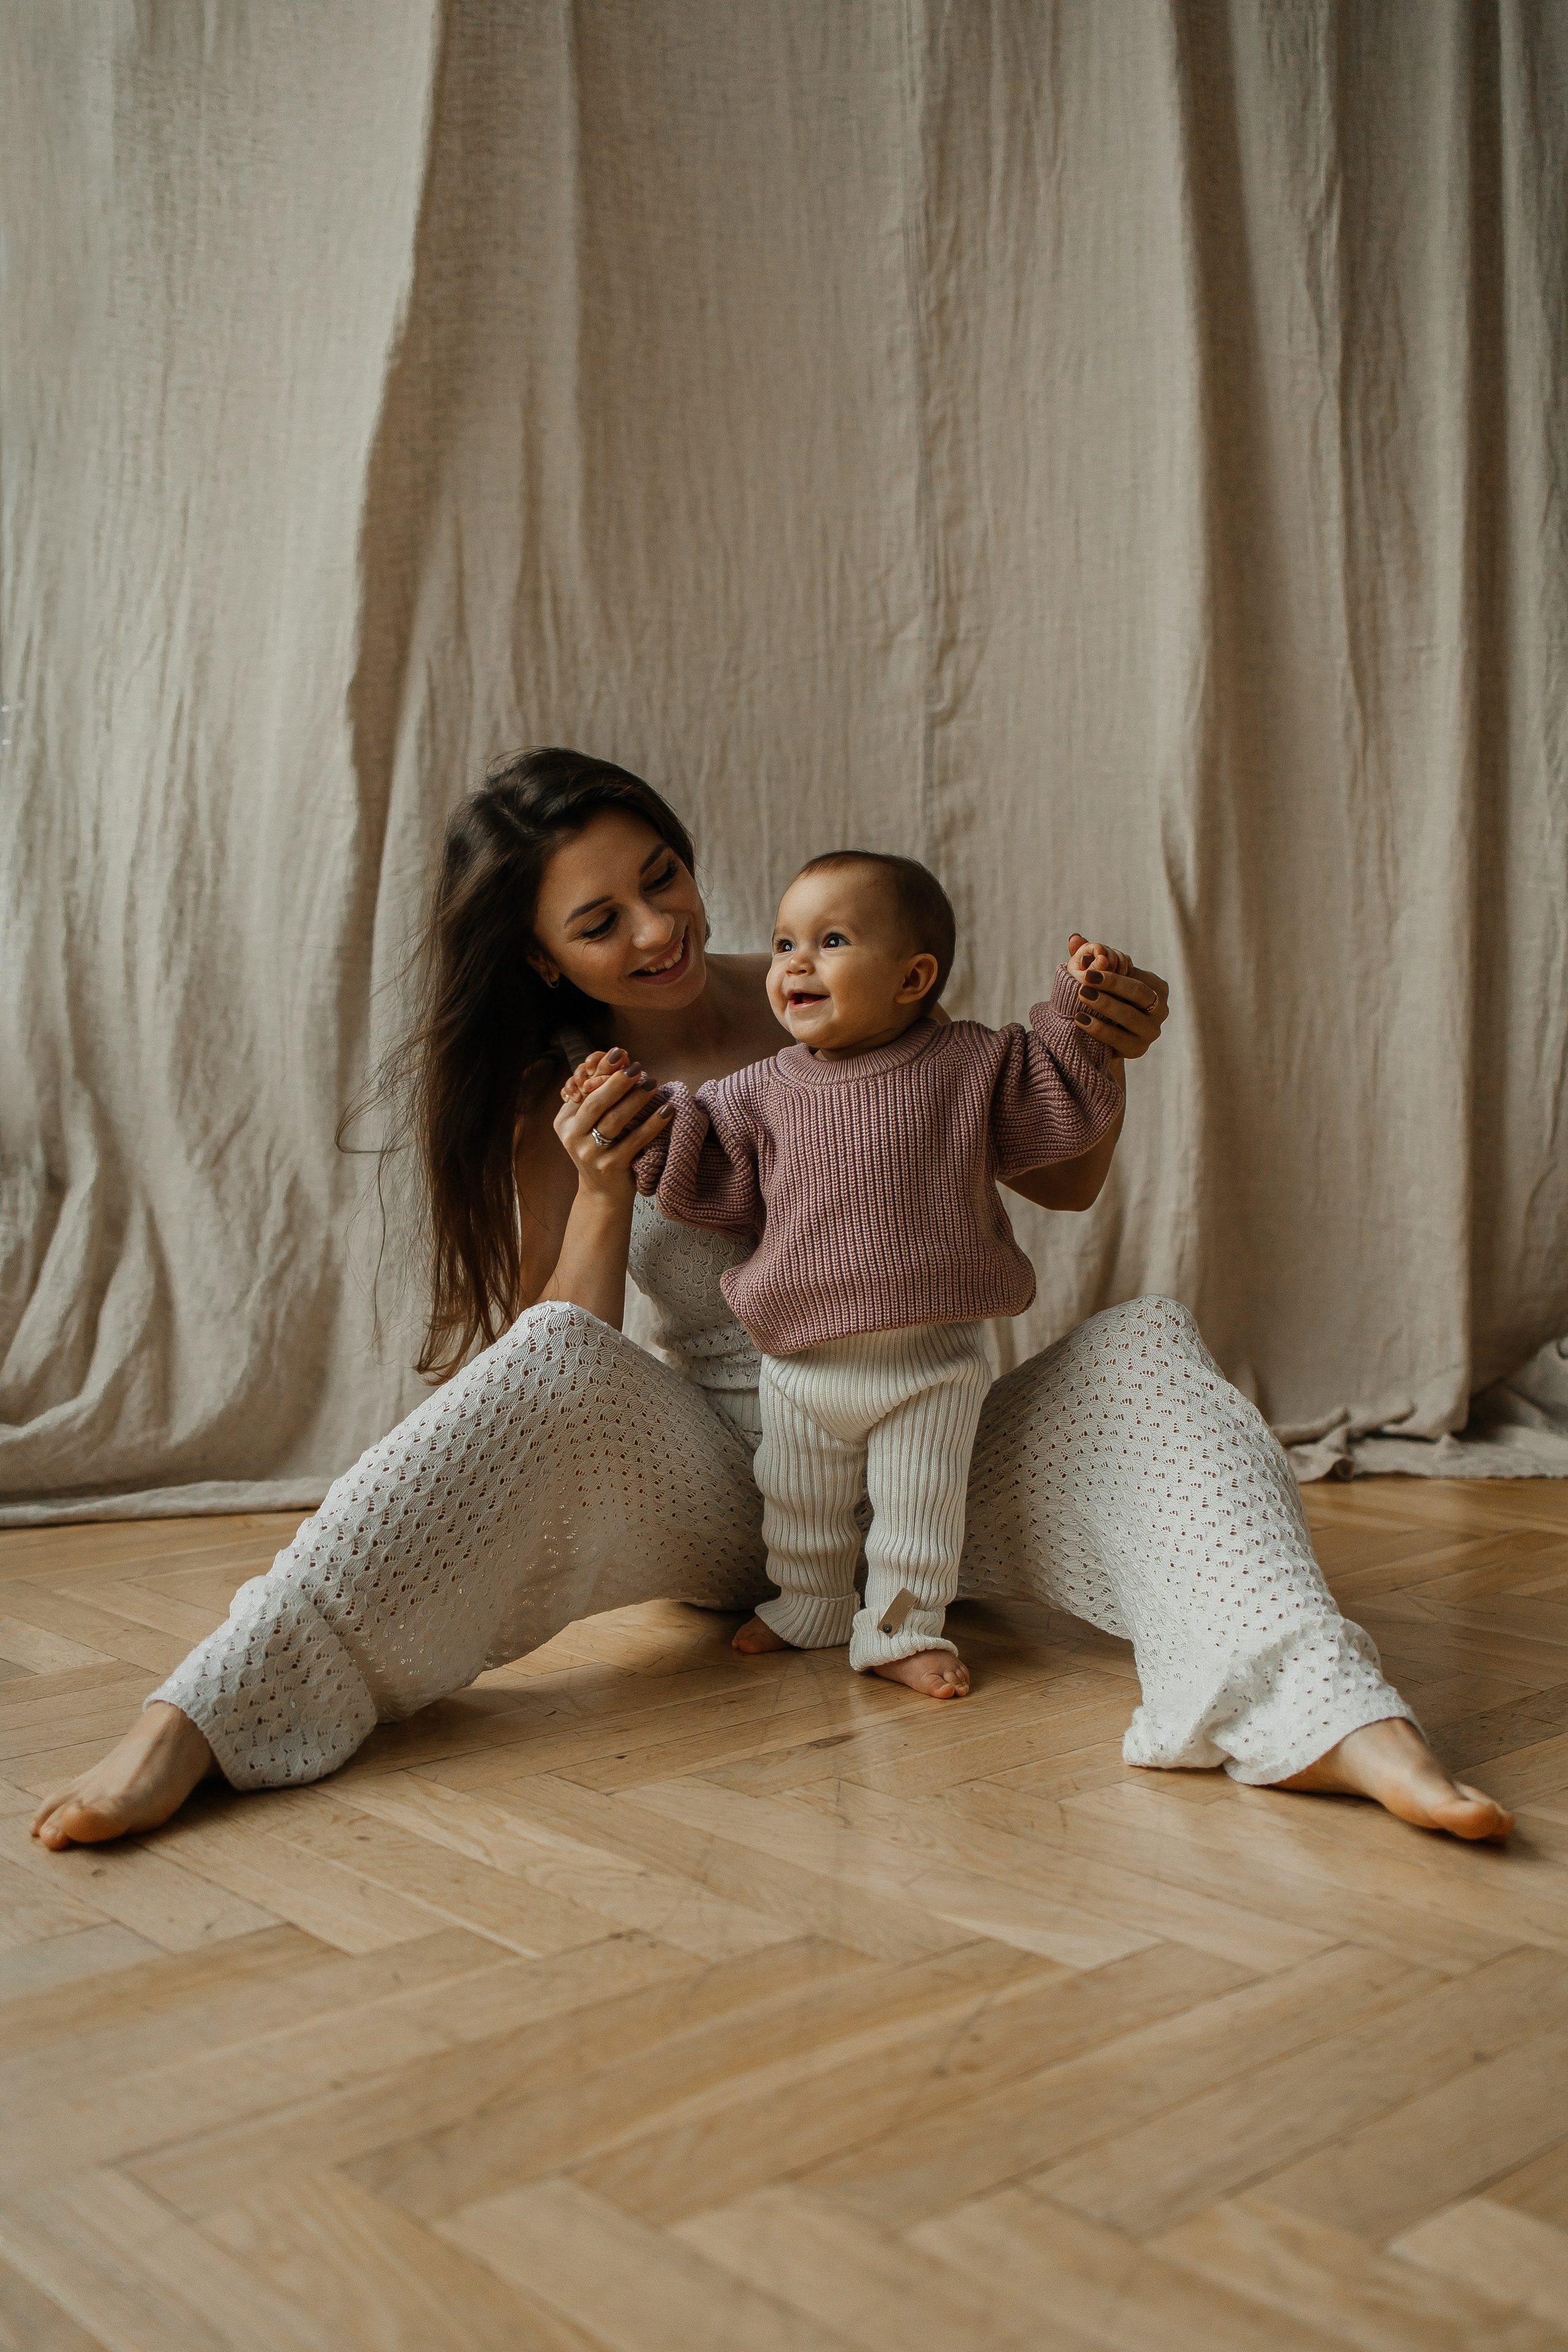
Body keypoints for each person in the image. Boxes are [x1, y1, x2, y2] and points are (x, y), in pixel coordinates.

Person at [31, 747, 1512, 1848]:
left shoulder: (837, 972)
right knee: (539, 1360)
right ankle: (214, 1710)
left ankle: (1324, 1712)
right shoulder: (560, 1090)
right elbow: (574, 1345)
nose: (657, 934)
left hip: (949, 1440)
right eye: (599, 924)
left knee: (1148, 1351)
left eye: (660, 879)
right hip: (732, 1486)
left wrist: (1102, 1057)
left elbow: (1046, 1178)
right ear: (544, 960)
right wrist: (602, 1183)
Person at [611, 847, 1124, 1697]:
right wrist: (636, 1104)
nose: (795, 965)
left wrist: (1083, 1002)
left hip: (932, 1364)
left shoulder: (970, 1062)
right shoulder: (760, 1091)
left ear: (913, 976)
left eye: (831, 940)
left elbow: (1054, 1083)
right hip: (800, 1365)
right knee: (797, 1505)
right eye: (783, 945)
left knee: (920, 1514)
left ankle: (900, 1630)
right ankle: (806, 1604)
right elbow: (695, 1150)